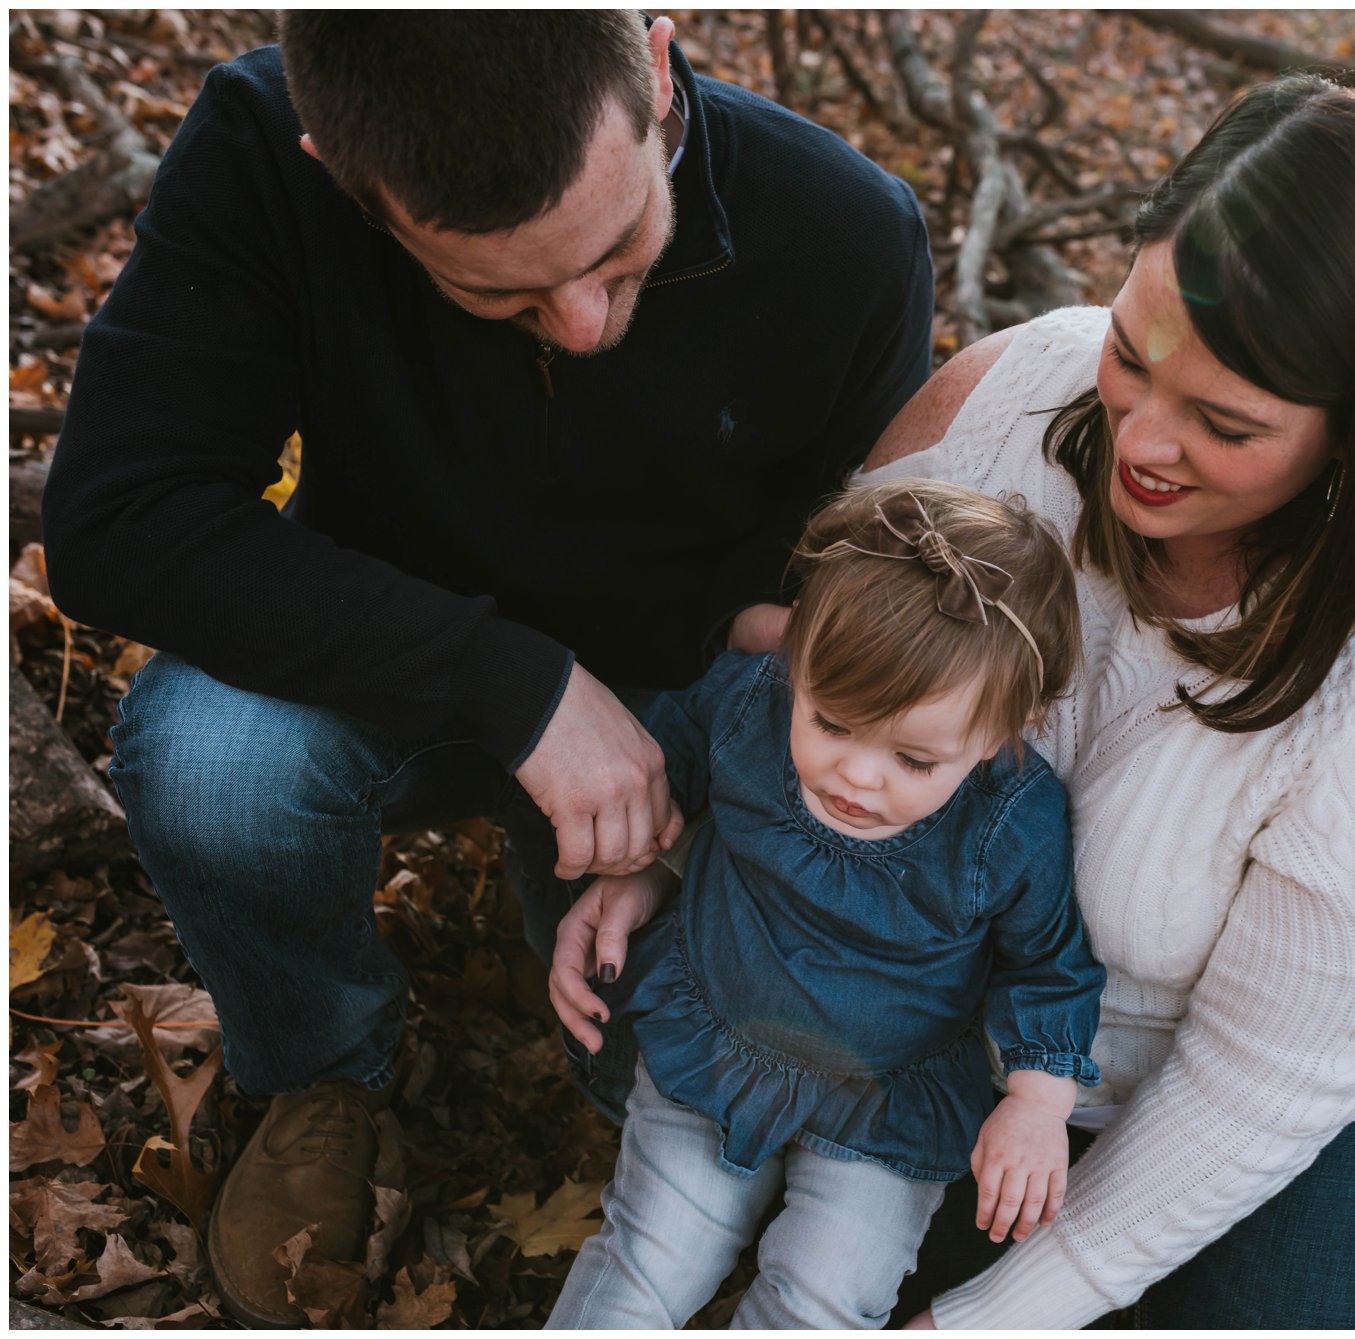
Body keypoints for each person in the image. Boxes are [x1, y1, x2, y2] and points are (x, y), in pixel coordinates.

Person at [564, 73, 1355, 1328]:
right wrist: (659, 858)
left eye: (1222, 422)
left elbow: (1254, 1093)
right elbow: (804, 679)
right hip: (952, 1021)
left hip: (1347, 1100)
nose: (1140, 437)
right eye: (1131, 355)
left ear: (1354, 432)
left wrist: (981, 1319)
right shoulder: (1007, 405)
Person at [38, 11, 933, 1327]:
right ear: (350, 183)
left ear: (660, 67)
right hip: (378, 668)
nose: (579, 324)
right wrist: (511, 682)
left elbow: (858, 614)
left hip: (684, 707)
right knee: (208, 759)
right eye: (500, 294)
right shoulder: (259, 150)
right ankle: (326, 1066)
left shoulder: (850, 231)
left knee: (711, 1101)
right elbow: (117, 523)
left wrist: (689, 817)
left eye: (619, 247)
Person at [543, 480, 1104, 1328]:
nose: (857, 774)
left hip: (889, 1099)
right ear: (795, 661)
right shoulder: (751, 706)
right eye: (832, 722)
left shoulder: (1008, 824)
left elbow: (1047, 962)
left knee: (821, 1298)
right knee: (650, 1255)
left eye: (915, 759)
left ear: (1000, 731)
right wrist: (642, 863)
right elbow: (678, 758)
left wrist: (1036, 1103)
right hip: (720, 1040)